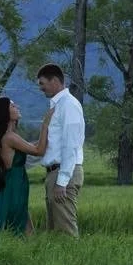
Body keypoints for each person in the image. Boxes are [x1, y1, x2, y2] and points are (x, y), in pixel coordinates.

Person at [0, 95, 52, 235]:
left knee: (21, 224)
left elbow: (31, 146)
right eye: (12, 106)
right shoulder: (10, 137)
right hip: (14, 185)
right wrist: (45, 125)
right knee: (18, 226)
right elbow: (38, 151)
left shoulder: (8, 136)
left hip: (13, 184)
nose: (17, 107)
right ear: (5, 113)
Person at [35, 63, 86, 236]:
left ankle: (73, 255)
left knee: (66, 231)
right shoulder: (58, 105)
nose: (41, 88)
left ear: (55, 81)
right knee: (55, 232)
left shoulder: (68, 105)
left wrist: (62, 181)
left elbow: (70, 145)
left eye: (42, 83)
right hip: (55, 173)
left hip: (63, 173)